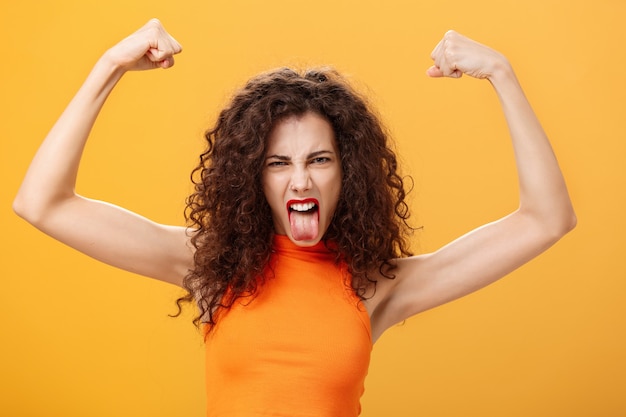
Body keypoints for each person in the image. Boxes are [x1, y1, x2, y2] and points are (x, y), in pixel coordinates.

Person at [13, 18, 576, 417]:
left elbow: (545, 219)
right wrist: (111, 65)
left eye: (319, 160)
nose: (300, 180)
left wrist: (501, 73)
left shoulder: (376, 284)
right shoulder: (210, 265)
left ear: (346, 172)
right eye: (278, 163)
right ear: (253, 177)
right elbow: (43, 203)